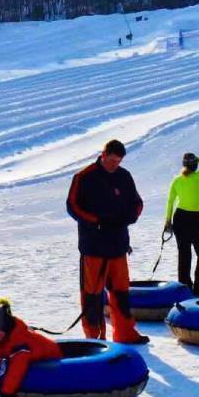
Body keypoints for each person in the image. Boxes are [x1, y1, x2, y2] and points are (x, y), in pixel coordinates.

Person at [66, 139, 148, 344]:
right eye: (112, 160)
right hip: (93, 247)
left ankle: (126, 333)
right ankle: (94, 338)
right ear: (103, 155)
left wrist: (130, 217)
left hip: (117, 246)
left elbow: (137, 203)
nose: (115, 165)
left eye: (118, 161)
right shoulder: (84, 177)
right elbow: (73, 206)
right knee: (92, 296)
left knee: (121, 293)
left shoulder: (124, 176)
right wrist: (97, 222)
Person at [0, 299, 62, 397]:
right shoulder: (0, 337)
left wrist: (6, 394)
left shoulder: (20, 344)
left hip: (53, 356)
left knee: (19, 364)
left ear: (4, 328)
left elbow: (16, 370)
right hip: (29, 354)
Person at [163, 152, 199, 295]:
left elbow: (170, 201)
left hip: (179, 218)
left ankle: (185, 287)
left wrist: (168, 220)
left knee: (184, 254)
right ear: (195, 165)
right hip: (195, 219)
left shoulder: (177, 180)